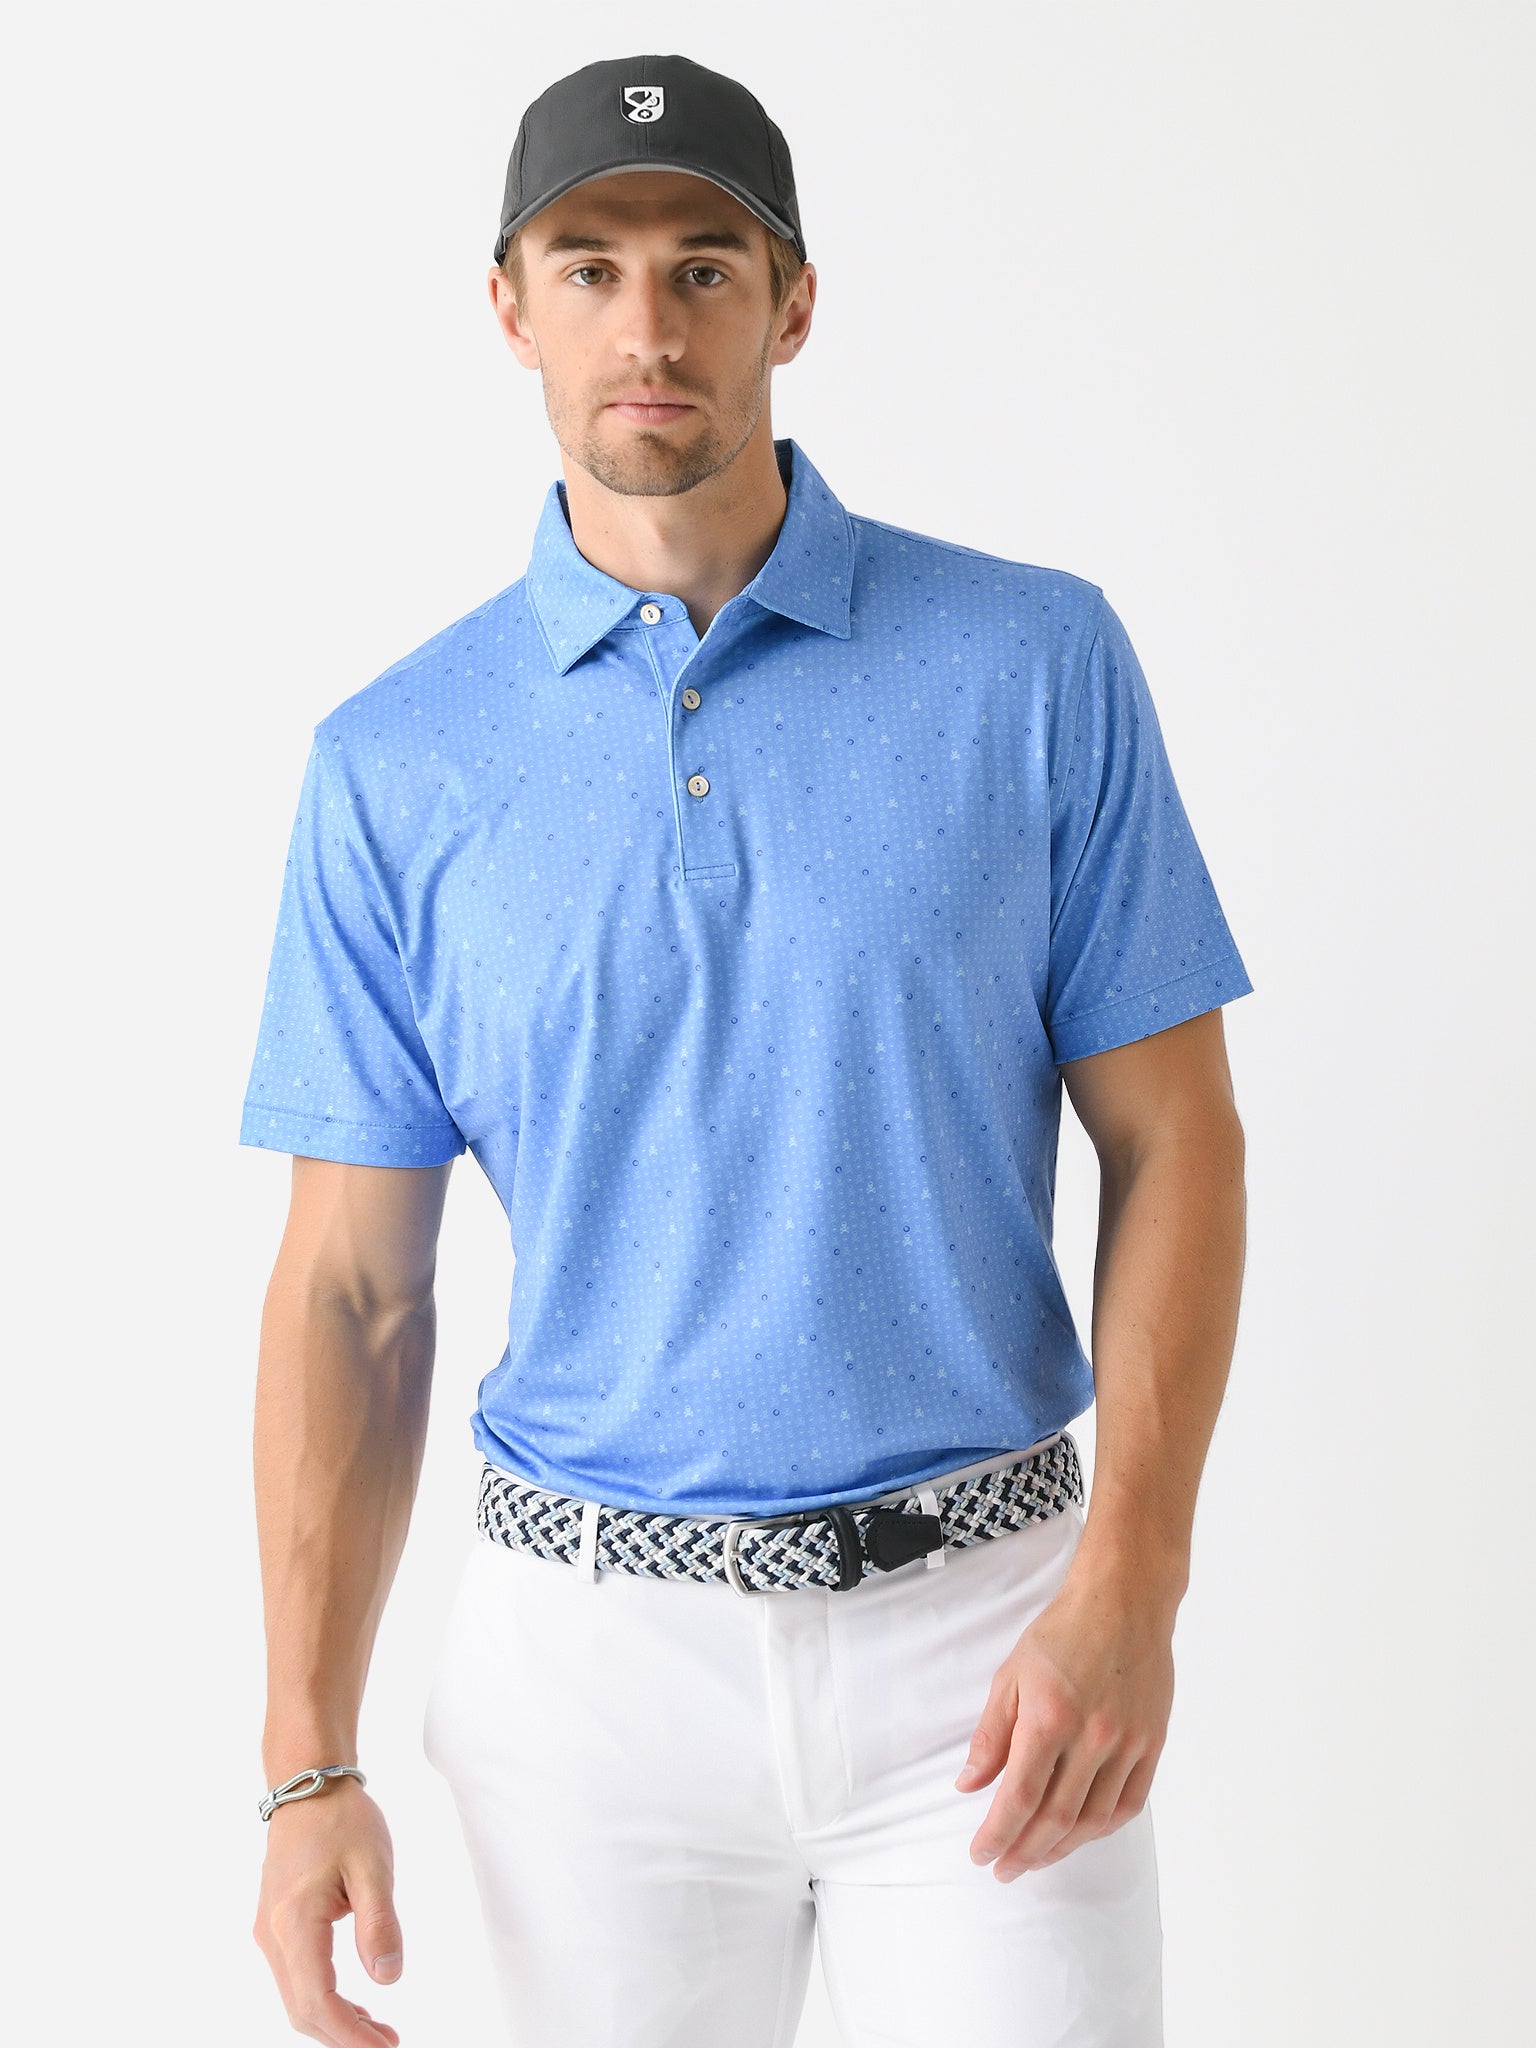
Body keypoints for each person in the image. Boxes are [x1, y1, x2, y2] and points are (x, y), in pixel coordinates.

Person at [242, 51, 1253, 2048]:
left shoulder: (1034, 664)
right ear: (511, 307)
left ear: (793, 304)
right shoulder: (395, 765)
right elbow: (355, 1290)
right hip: (587, 1688)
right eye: (591, 268)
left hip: (990, 1644)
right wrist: (304, 1762)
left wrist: (1133, 1583)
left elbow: (1179, 1141)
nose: (649, 326)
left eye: (705, 266)